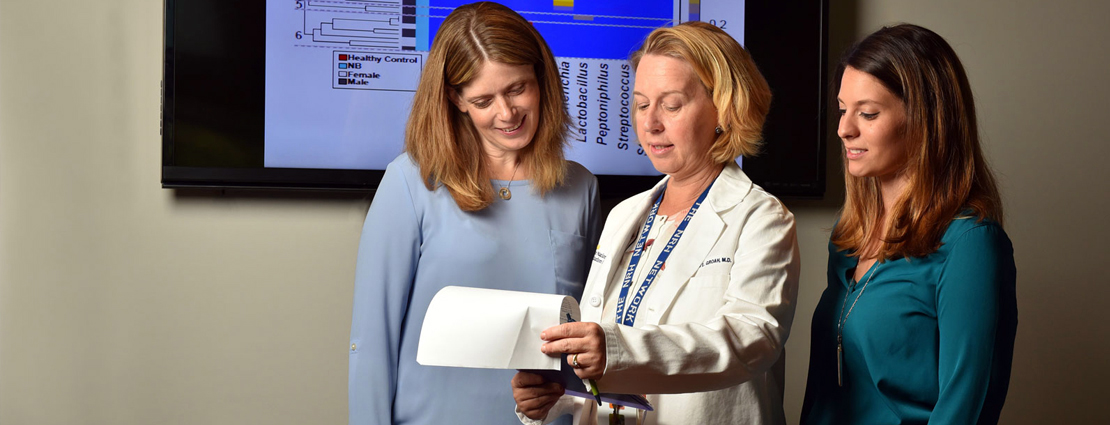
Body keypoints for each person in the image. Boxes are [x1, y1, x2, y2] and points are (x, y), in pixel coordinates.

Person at [511, 21, 801, 425]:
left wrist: (616, 350)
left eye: (672, 104)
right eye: (642, 103)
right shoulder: (624, 216)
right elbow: (599, 363)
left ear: (725, 108)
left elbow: (752, 339)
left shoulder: (761, 218)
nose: (650, 124)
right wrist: (551, 396)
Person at [348, 3, 600, 425]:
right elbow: (373, 342)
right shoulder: (411, 182)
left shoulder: (581, 189)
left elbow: (590, 342)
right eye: (484, 99)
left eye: (518, 88)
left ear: (541, 77)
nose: (507, 113)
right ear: (456, 99)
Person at [799, 24, 1018, 424]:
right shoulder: (848, 238)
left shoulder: (970, 243)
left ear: (926, 117)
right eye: (843, 109)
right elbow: (824, 393)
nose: (844, 129)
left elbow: (963, 407)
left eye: (867, 113)